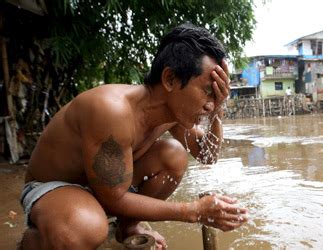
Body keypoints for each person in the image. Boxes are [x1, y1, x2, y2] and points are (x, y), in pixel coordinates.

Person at [19, 24, 248, 250]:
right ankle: (33, 241)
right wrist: (193, 211)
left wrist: (218, 110)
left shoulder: (173, 111)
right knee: (84, 229)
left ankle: (127, 227)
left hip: (103, 188)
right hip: (53, 188)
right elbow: (114, 199)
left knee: (174, 155)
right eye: (208, 92)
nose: (210, 104)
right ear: (170, 79)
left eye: (217, 95)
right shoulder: (112, 110)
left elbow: (207, 155)